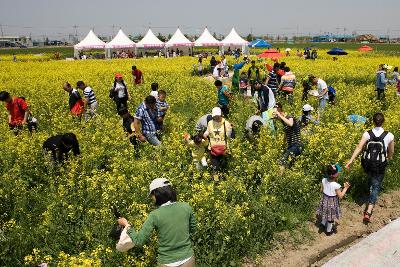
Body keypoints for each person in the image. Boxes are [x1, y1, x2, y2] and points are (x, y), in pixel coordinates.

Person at [117, 178, 196, 267]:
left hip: (167, 262)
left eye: (152, 195)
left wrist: (126, 225)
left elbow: (139, 240)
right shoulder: (186, 207)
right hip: (188, 259)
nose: (152, 198)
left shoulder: (155, 215)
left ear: (156, 194)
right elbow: (193, 230)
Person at [345, 112, 395, 223]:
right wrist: (388, 158)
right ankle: (368, 211)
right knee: (376, 186)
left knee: (371, 177)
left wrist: (351, 160)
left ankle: (369, 188)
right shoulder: (390, 135)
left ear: (373, 121)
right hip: (380, 165)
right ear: (383, 121)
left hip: (367, 164)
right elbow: (391, 152)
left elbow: (359, 147)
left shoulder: (367, 134)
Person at [316, 164, 351, 235]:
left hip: (325, 199)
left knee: (325, 212)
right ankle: (328, 231)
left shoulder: (324, 180)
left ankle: (322, 224)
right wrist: (346, 188)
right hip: (332, 202)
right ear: (335, 175)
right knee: (331, 217)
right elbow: (340, 196)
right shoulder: (336, 185)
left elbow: (321, 190)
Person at [272, 103, 303, 174]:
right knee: (290, 167)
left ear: (280, 110)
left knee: (282, 161)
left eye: (276, 114)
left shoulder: (289, 116)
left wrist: (279, 115)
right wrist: (283, 145)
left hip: (296, 145)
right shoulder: (284, 123)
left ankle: (278, 181)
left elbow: (290, 123)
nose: (276, 117)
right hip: (292, 147)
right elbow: (286, 135)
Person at [203, 107, 233, 181]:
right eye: (215, 116)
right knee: (215, 168)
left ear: (221, 115)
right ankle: (217, 182)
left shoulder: (226, 123)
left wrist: (230, 129)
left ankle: (225, 181)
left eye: (217, 116)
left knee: (224, 167)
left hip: (224, 149)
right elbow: (207, 132)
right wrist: (205, 135)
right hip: (213, 149)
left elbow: (229, 136)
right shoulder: (210, 123)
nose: (216, 117)